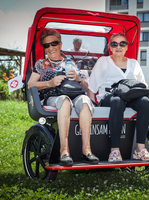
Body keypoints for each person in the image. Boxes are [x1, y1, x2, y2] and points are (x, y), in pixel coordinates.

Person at [28, 28, 99, 166]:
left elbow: (86, 86)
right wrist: (50, 83)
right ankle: (64, 151)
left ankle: (86, 150)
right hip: (53, 97)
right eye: (46, 45)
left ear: (60, 45)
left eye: (53, 44)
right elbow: (30, 85)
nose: (50, 48)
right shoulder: (41, 64)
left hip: (75, 95)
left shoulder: (71, 63)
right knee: (64, 101)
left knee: (85, 101)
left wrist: (79, 78)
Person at [88, 33, 149, 163]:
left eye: (122, 43)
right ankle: (114, 150)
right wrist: (93, 108)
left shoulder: (134, 63)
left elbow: (143, 85)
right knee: (117, 101)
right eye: (114, 44)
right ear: (110, 47)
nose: (118, 46)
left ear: (126, 47)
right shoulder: (103, 62)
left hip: (131, 96)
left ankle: (140, 149)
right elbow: (91, 88)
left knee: (145, 102)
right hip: (109, 97)